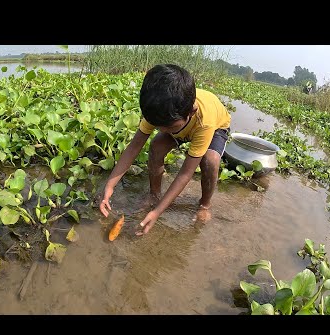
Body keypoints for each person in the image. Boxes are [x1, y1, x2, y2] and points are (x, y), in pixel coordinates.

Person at [99, 64, 231, 235]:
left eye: (166, 127)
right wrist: (110, 186)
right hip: (181, 125)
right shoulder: (160, 110)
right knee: (156, 146)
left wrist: (157, 212)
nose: (161, 130)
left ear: (191, 111)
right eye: (157, 126)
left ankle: (205, 205)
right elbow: (134, 147)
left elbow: (185, 173)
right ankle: (154, 195)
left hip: (215, 128)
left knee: (210, 160)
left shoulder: (204, 120)